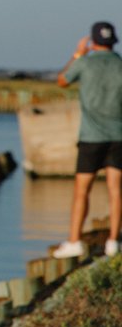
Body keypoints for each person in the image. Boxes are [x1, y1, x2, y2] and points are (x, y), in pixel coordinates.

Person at [52, 21, 122, 259]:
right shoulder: (120, 65)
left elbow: (62, 80)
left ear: (93, 42)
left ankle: (74, 241)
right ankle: (113, 241)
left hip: (92, 136)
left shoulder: (85, 62)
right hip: (119, 135)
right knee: (116, 190)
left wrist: (77, 54)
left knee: (82, 190)